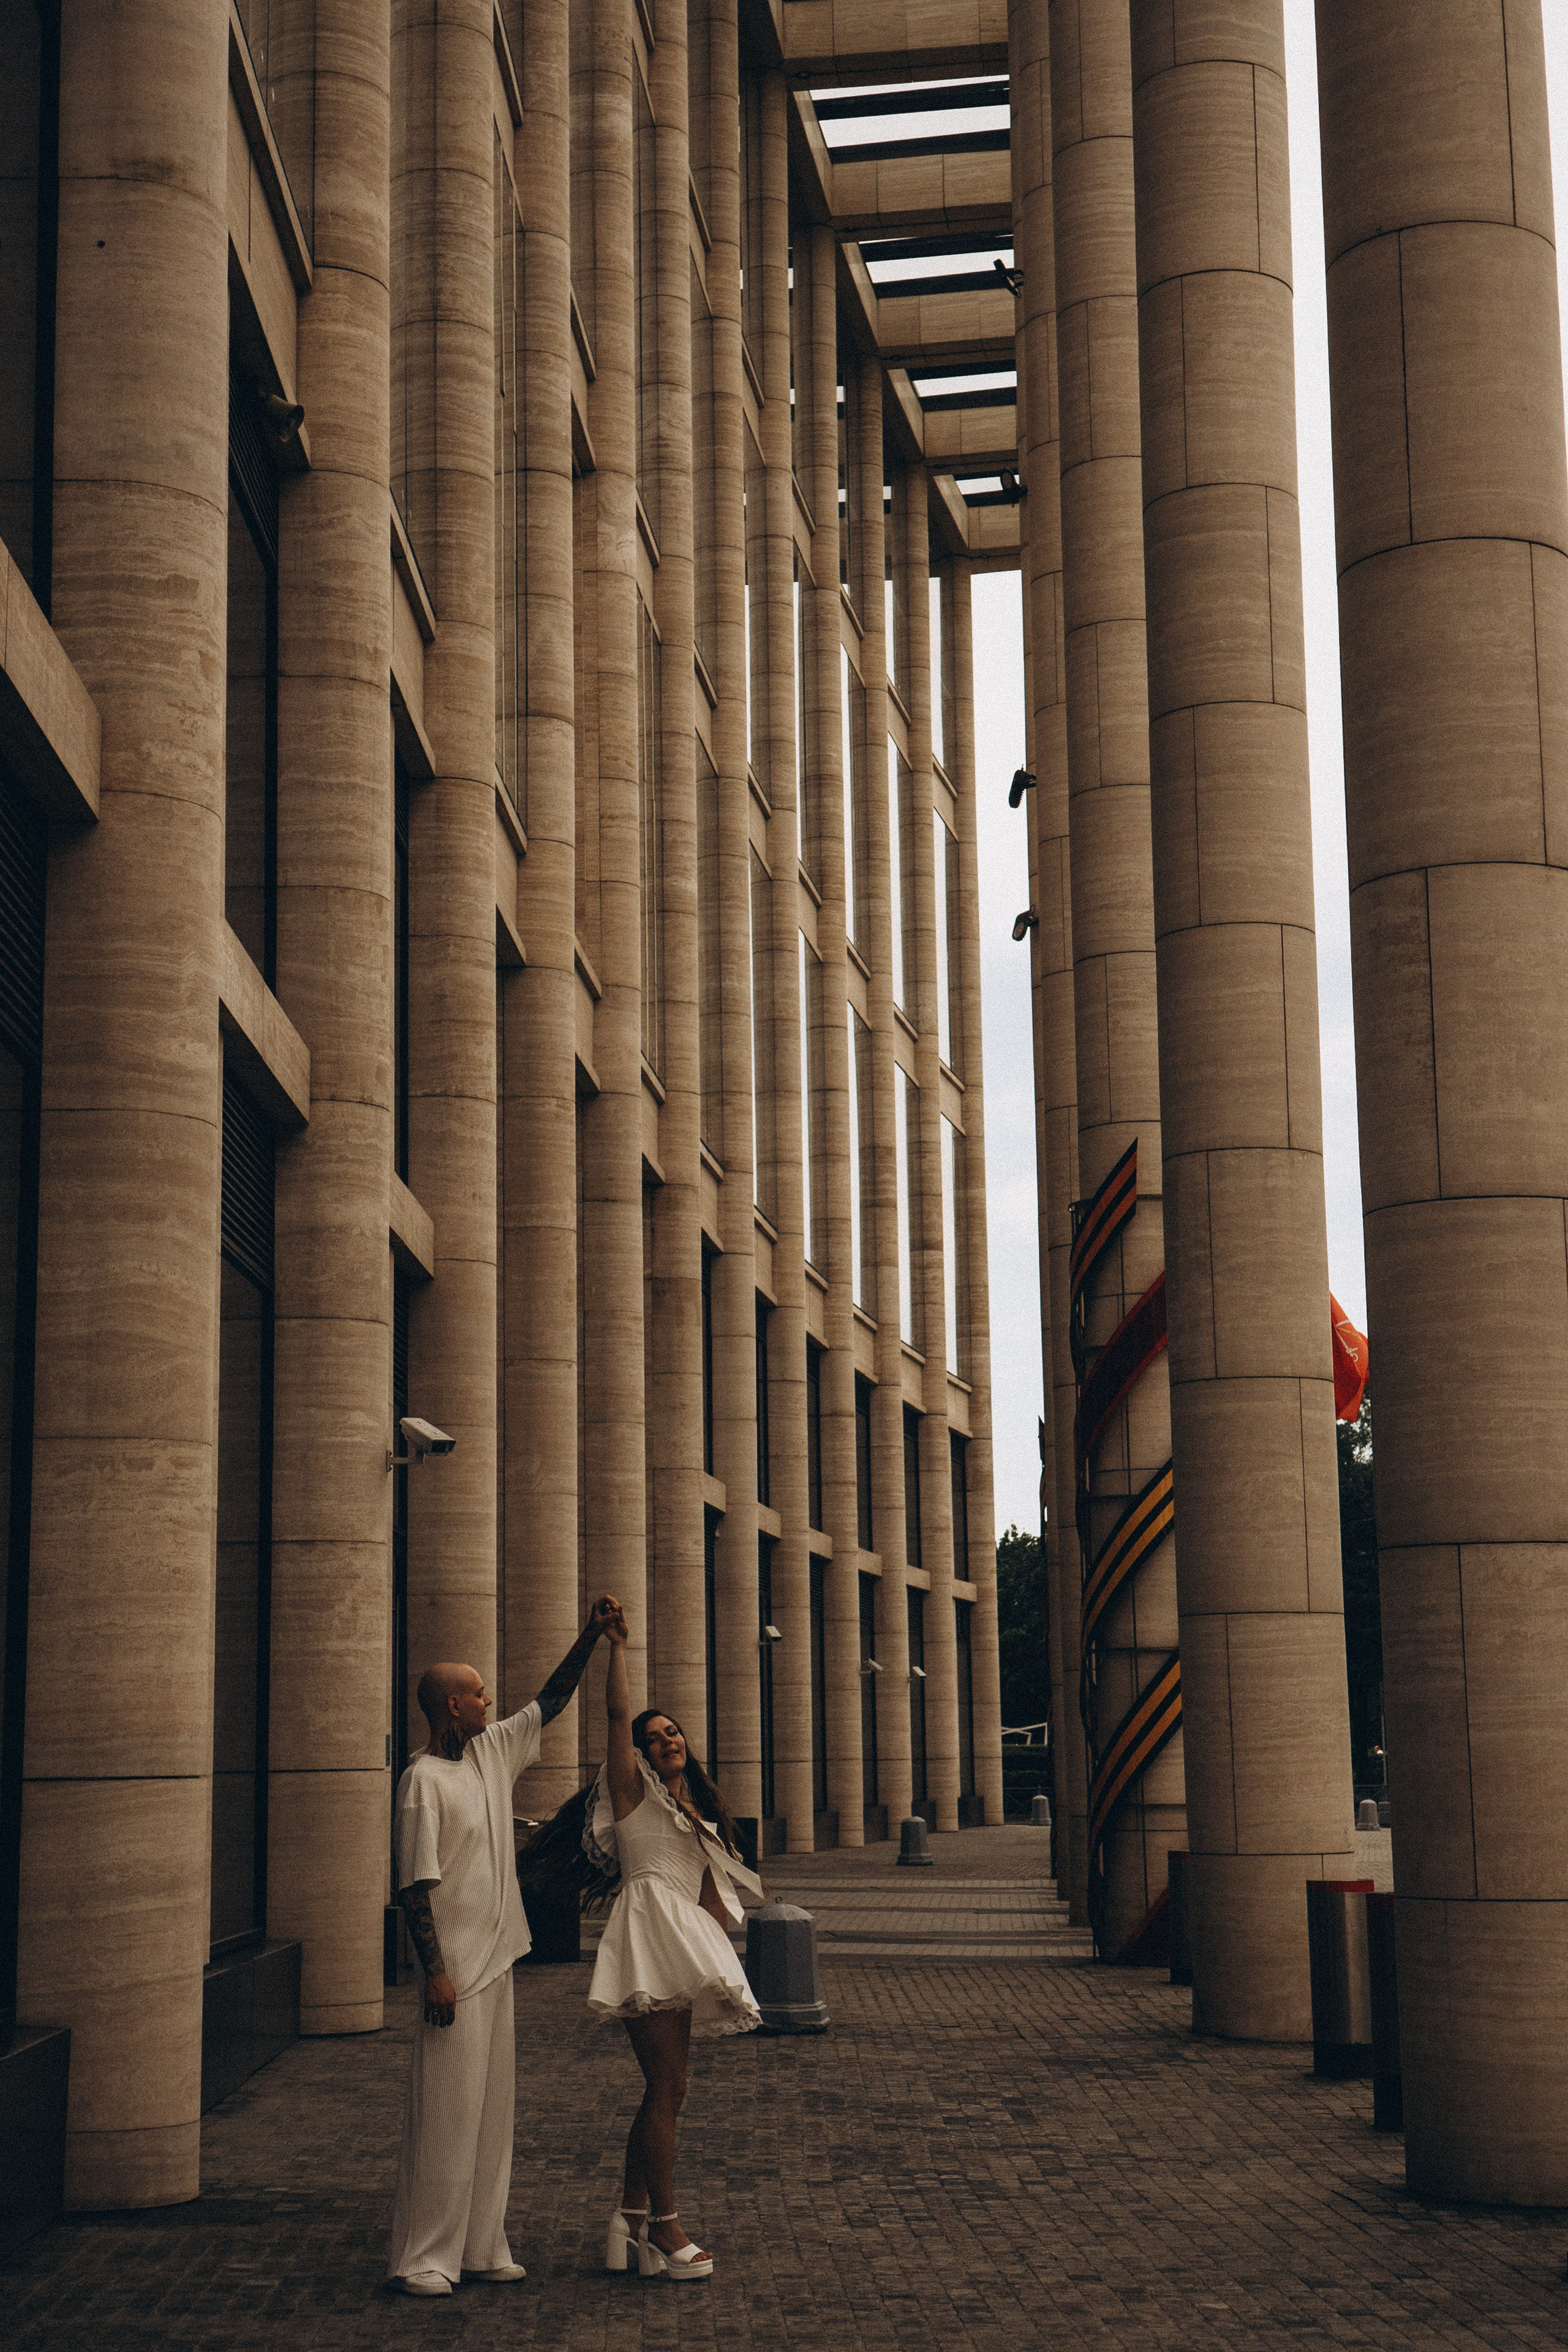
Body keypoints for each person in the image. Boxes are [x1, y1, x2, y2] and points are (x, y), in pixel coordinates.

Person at [386, 1596, 621, 2297]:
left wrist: (591, 1633)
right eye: (480, 1693)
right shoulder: (421, 1783)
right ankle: (424, 2256)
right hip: (454, 1970)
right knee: (447, 2113)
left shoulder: (490, 1754)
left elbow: (551, 1699)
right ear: (453, 1707)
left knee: (492, 2113)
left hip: (497, 1959)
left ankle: (482, 2243)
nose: (491, 1701)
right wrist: (434, 1974)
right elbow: (413, 1888)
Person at [588, 1609, 763, 2282]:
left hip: (678, 1938)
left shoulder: (695, 1810)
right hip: (649, 1933)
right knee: (666, 2087)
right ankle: (664, 2228)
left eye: (673, 1732)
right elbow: (615, 1717)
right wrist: (618, 1651)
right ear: (638, 1752)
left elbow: (716, 1905)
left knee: (667, 2088)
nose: (666, 1740)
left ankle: (629, 2220)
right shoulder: (632, 1792)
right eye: (653, 1736)